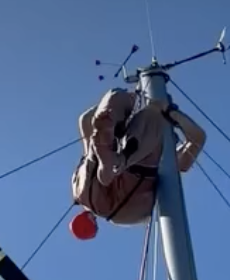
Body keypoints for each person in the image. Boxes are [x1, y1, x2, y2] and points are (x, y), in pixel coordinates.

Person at [71, 91, 206, 226]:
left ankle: (112, 161)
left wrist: (167, 112)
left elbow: (198, 138)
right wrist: (172, 114)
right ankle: (112, 160)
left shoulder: (170, 161)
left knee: (150, 116)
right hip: (99, 193)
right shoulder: (172, 164)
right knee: (131, 112)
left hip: (96, 189)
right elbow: (198, 139)